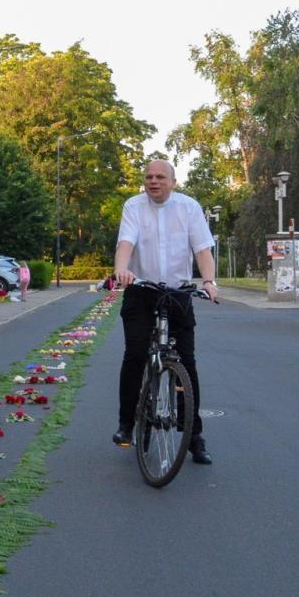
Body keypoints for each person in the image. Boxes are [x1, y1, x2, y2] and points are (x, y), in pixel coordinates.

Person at [110, 158, 221, 464]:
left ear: (173, 181)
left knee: (187, 362)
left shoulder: (189, 208)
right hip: (141, 291)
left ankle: (193, 435)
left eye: (160, 177)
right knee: (134, 354)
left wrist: (209, 281)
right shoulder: (133, 206)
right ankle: (127, 424)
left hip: (177, 293)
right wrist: (122, 270)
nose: (153, 181)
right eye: (148, 177)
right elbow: (125, 244)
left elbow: (202, 250)